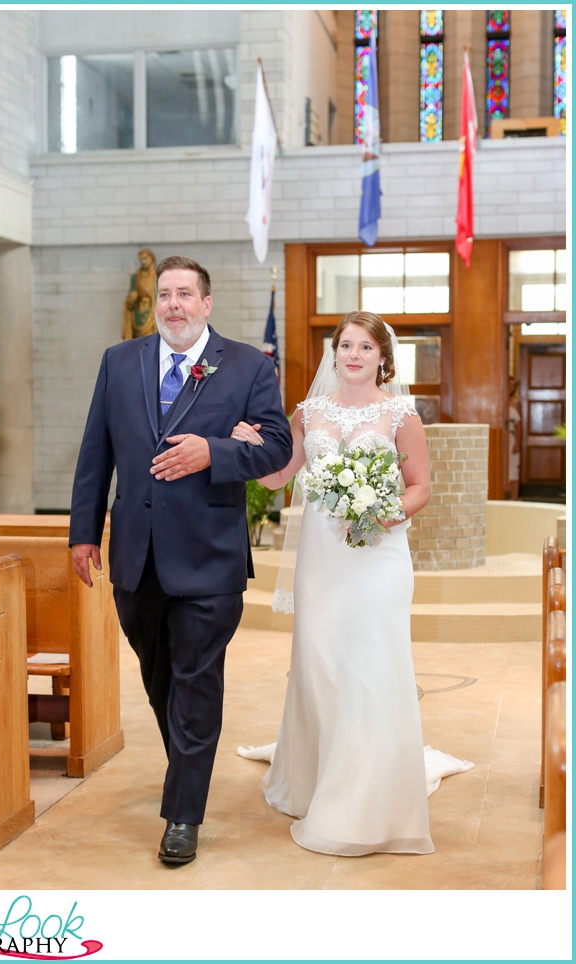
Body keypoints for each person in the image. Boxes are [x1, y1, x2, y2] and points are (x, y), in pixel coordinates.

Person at [69, 255, 293, 866]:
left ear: (206, 303)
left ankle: (183, 814)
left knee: (196, 684)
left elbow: (276, 448)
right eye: (165, 294)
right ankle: (188, 769)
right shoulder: (121, 362)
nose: (173, 304)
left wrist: (211, 452)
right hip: (135, 558)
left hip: (208, 558)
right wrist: (82, 533)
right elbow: (97, 453)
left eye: (185, 294)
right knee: (158, 677)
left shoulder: (249, 365)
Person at [233, 311, 471, 856]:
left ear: (383, 358)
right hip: (322, 563)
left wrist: (391, 510)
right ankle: (321, 775)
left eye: (365, 347)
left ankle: (365, 796)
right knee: (321, 668)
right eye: (345, 346)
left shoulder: (399, 414)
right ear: (333, 354)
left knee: (370, 667)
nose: (354, 355)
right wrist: (247, 442)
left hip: (379, 558)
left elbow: (421, 486)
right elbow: (276, 476)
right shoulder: (308, 412)